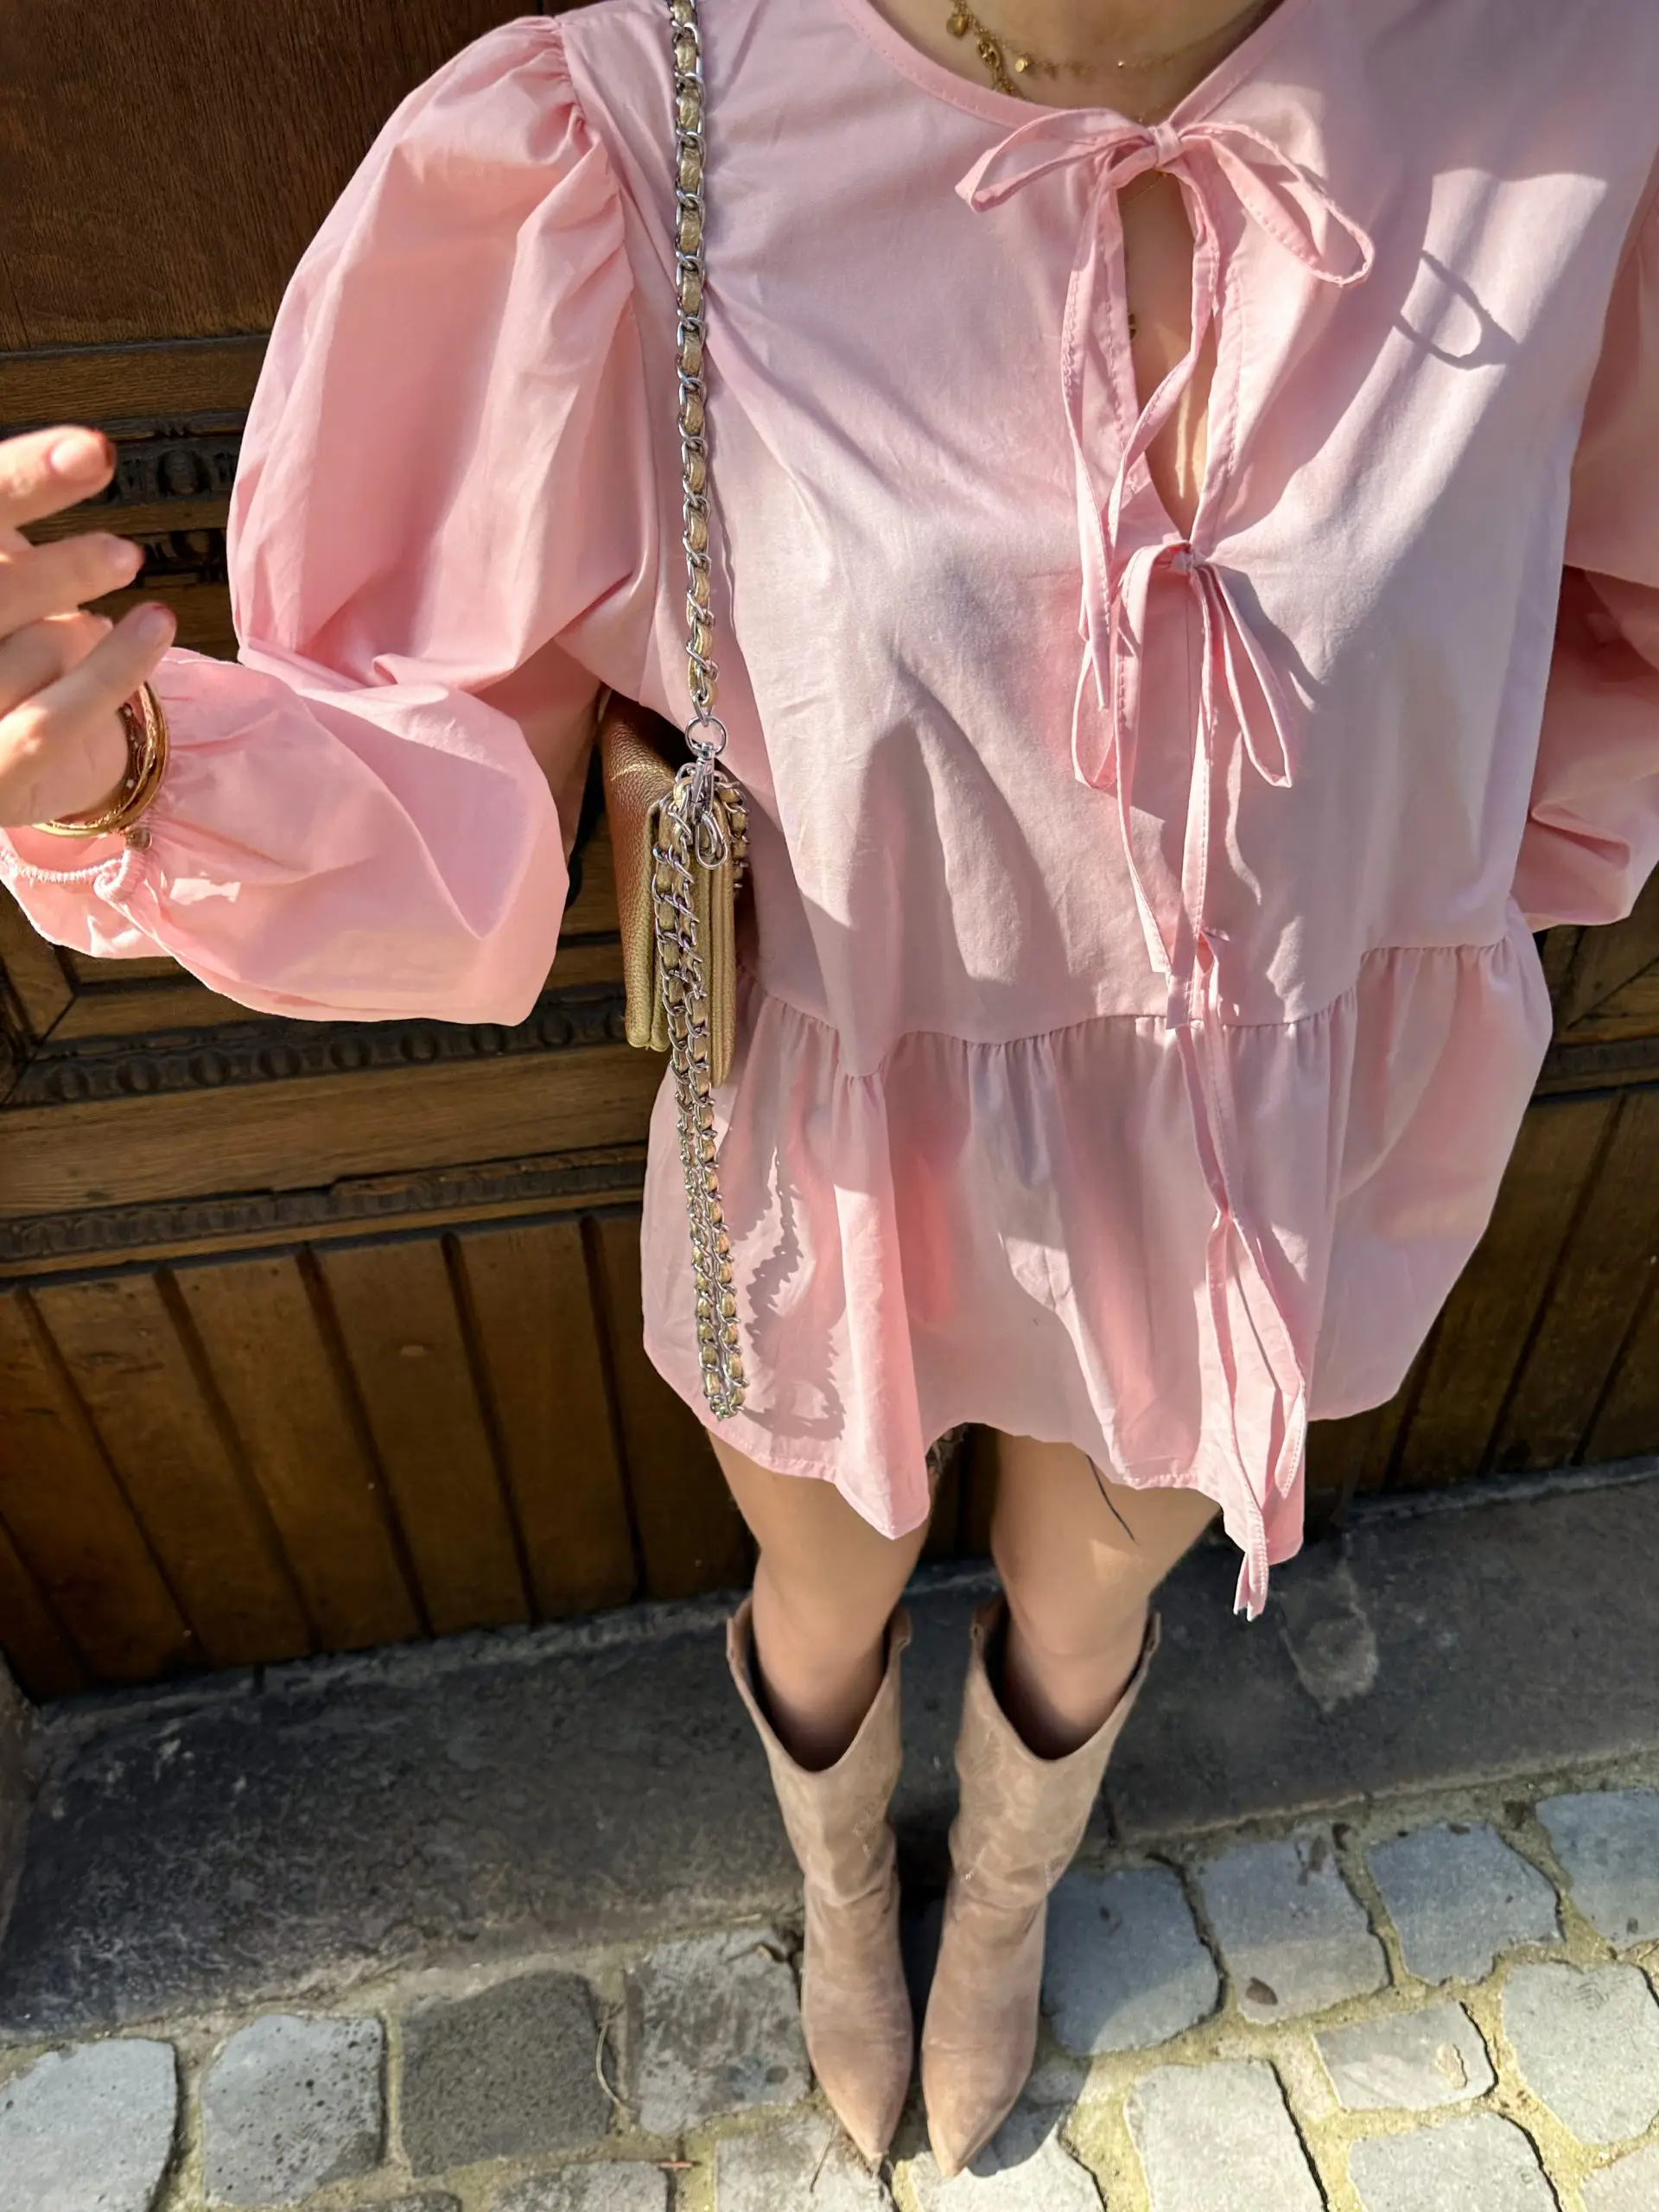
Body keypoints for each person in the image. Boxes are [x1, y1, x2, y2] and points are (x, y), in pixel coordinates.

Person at [3, 0, 1656, 2175]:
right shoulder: (632, 134)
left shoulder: (1578, 95)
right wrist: (127, 755)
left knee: (1092, 1587)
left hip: (1272, 1120)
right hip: (844, 1133)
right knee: (829, 1577)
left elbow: (1601, 624)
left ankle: (1002, 1900)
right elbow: (442, 767)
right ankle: (841, 1886)